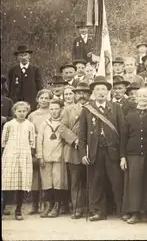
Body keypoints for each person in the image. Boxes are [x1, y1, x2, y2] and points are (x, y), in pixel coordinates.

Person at [79, 76, 126, 222]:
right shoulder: (87, 109)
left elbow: (123, 133)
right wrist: (82, 153)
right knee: (96, 182)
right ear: (93, 91)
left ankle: (122, 211)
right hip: (95, 151)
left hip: (113, 151)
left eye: (103, 89)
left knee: (117, 182)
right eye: (98, 89)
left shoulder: (116, 108)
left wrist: (123, 155)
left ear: (107, 92)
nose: (101, 92)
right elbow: (82, 135)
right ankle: (99, 212)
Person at [121, 88, 147, 225]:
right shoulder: (129, 116)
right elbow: (123, 138)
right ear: (136, 98)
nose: (143, 98)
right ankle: (135, 213)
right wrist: (123, 157)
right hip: (133, 155)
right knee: (134, 184)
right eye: (140, 96)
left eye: (146, 96)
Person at [59, 82, 90, 219]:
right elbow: (62, 128)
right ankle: (77, 208)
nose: (81, 95)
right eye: (78, 93)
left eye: (84, 93)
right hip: (74, 151)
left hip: (91, 151)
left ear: (89, 94)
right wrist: (76, 140)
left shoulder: (94, 108)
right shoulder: (68, 110)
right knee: (76, 182)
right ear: (75, 95)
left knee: (91, 181)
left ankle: (91, 207)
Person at [1, 101, 36, 220]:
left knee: (22, 183)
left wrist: (28, 154)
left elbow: (32, 142)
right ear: (14, 112)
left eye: (24, 111)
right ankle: (3, 207)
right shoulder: (9, 125)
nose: (21, 113)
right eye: (19, 111)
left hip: (24, 155)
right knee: (6, 182)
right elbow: (3, 141)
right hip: (10, 155)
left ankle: (18, 210)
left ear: (27, 112)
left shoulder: (30, 125)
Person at [37, 98, 68, 218]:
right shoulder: (44, 124)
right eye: (52, 109)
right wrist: (40, 156)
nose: (54, 111)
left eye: (56, 109)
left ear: (61, 109)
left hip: (59, 157)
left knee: (58, 182)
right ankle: (47, 205)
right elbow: (39, 141)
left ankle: (56, 206)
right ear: (48, 110)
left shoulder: (63, 123)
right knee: (46, 182)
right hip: (45, 157)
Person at [27, 89, 54, 215]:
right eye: (42, 98)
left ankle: (46, 203)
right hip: (34, 147)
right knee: (35, 177)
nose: (44, 100)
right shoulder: (32, 115)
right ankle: (34, 204)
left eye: (47, 98)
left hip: (48, 147)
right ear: (38, 99)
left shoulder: (53, 112)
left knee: (46, 176)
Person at [7, 45, 44, 111]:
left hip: (31, 104)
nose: (23, 57)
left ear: (29, 56)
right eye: (21, 55)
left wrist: (38, 102)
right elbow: (9, 88)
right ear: (17, 57)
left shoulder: (35, 70)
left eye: (25, 55)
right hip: (16, 104)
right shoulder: (12, 70)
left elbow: (40, 88)